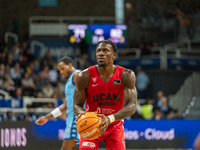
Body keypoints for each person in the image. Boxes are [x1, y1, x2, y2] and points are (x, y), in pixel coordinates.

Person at [73, 40, 137, 150]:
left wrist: (109, 119)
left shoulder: (126, 75)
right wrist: (86, 117)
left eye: (105, 50)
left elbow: (132, 106)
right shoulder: (84, 76)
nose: (101, 53)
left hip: (114, 125)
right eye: (98, 51)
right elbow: (76, 106)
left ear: (114, 55)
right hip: (92, 125)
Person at [35, 57, 81, 150]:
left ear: (70, 65)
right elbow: (65, 106)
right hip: (74, 120)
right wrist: (46, 117)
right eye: (59, 70)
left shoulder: (77, 74)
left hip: (76, 120)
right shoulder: (67, 83)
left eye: (62, 68)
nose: (61, 72)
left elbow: (89, 91)